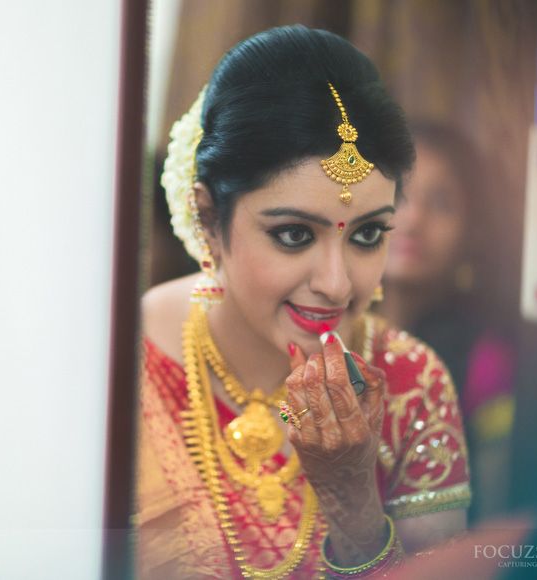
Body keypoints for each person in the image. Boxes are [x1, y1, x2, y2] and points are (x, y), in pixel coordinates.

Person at [136, 26, 471, 579]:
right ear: (209, 219)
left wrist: (354, 506)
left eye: (367, 234)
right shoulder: (127, 363)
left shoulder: (412, 385)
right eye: (293, 234)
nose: (336, 285)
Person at [375, 122, 515, 522]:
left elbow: (493, 516)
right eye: (399, 195)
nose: (413, 219)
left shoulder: (486, 361)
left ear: (473, 232)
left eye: (441, 203)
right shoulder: (327, 329)